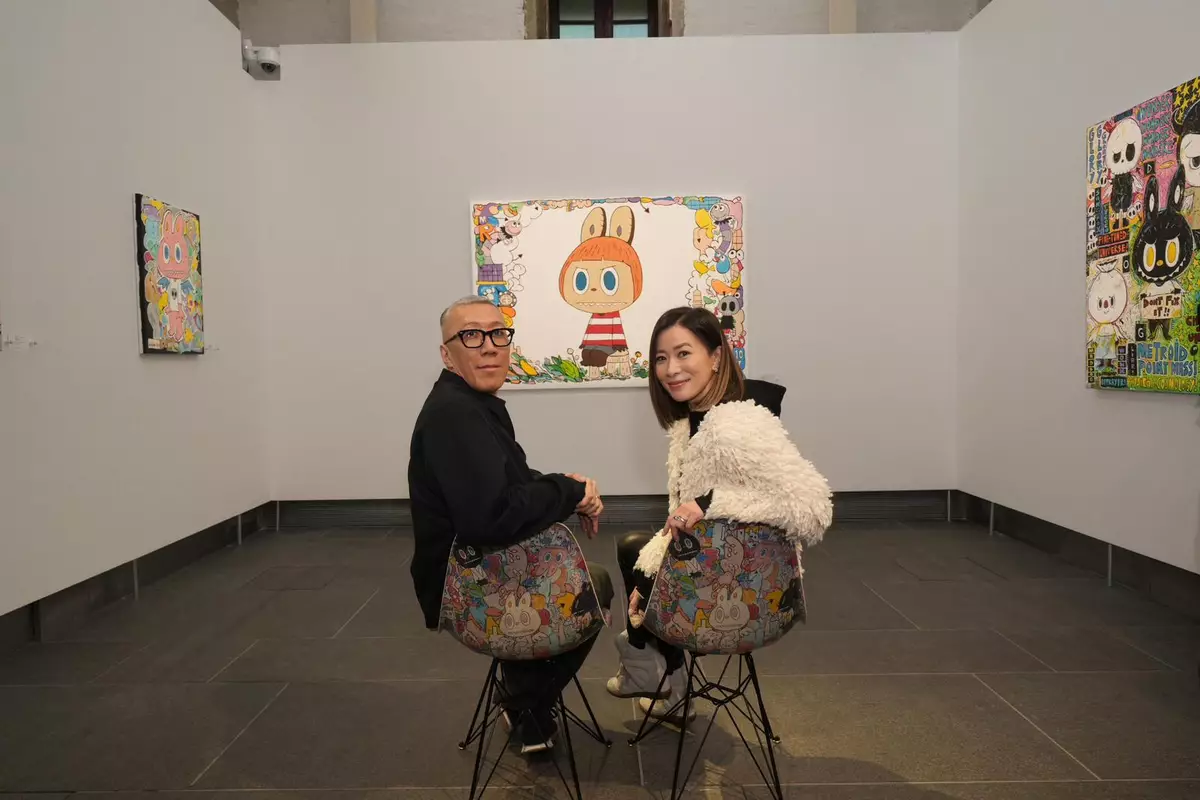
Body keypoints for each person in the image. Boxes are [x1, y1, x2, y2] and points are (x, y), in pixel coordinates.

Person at [606, 306, 833, 720]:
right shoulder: (689, 425)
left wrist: (710, 503)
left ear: (715, 357)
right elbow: (686, 525)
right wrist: (648, 575)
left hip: (740, 590)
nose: (670, 369)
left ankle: (653, 668)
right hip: (714, 571)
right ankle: (657, 671)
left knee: (635, 553)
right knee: (636, 551)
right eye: (661, 358)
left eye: (683, 353)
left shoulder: (736, 425)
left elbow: (813, 506)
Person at [409, 295, 614, 754]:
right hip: (467, 589)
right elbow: (492, 516)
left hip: (482, 568)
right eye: (471, 335)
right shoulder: (455, 415)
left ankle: (523, 692)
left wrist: (568, 487)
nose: (488, 346)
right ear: (447, 354)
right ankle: (526, 703)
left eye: (498, 334)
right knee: (595, 582)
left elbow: (511, 483)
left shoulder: (470, 405)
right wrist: (567, 490)